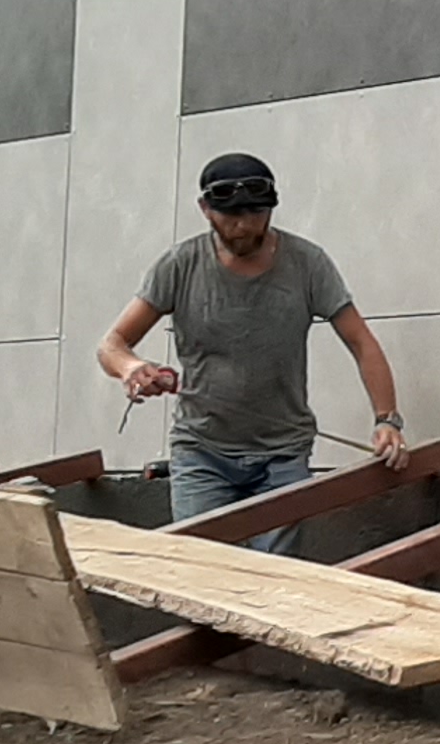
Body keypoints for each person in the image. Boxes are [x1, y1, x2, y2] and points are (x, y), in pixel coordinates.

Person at [95, 153, 407, 538]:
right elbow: (112, 345)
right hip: (202, 451)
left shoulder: (307, 264)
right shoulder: (180, 265)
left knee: (272, 570)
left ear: (271, 208)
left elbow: (361, 342)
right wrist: (131, 368)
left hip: (282, 454)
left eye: (255, 214)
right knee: (201, 561)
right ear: (205, 209)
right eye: (230, 216)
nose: (243, 226)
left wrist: (387, 420)